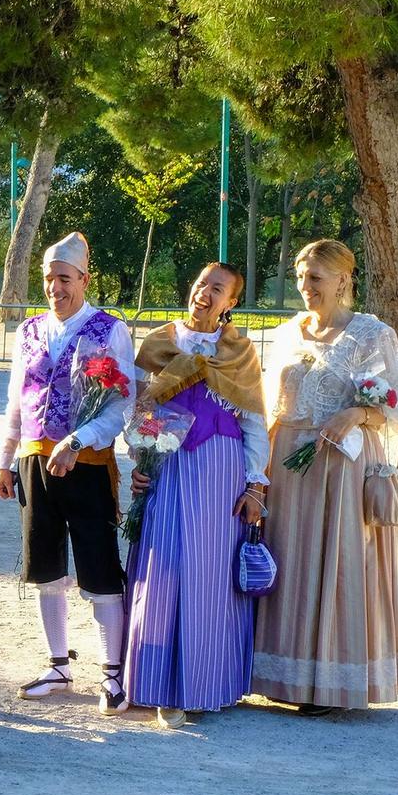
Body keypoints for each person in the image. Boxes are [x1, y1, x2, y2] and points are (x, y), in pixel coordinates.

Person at [253, 239, 398, 713]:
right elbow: (267, 403)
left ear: (343, 280)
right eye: (301, 278)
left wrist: (358, 415)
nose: (305, 287)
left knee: (335, 562)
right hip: (287, 459)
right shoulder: (286, 333)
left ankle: (329, 683)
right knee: (286, 559)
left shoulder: (371, 333)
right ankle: (278, 675)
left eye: (315, 279)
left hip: (340, 464)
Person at [0, 232, 137, 713]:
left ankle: (112, 673)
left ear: (84, 280)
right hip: (35, 460)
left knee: (98, 569)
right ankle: (58, 663)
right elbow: (16, 399)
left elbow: (122, 404)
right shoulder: (29, 329)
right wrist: (4, 460)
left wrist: (78, 441)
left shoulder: (108, 328)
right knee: (46, 569)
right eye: (50, 279)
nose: (56, 288)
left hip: (87, 463)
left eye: (65, 279)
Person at [122, 263, 268, 726]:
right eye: (201, 283)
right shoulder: (161, 344)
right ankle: (157, 683)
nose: (205, 292)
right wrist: (139, 460)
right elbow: (140, 412)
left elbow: (254, 422)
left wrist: (255, 484)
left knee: (208, 575)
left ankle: (202, 685)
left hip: (220, 470)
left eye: (217, 289)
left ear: (230, 303)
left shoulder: (239, 352)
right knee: (162, 568)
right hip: (167, 465)